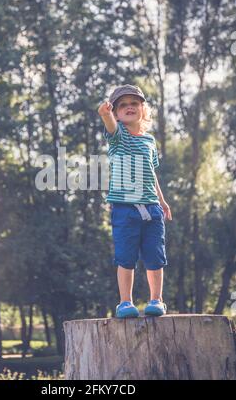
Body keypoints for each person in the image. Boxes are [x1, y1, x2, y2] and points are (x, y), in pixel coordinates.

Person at [98, 84, 172, 318]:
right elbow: (110, 126)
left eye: (134, 103)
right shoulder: (118, 137)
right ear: (117, 113)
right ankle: (125, 302)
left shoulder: (149, 141)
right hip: (125, 209)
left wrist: (162, 201)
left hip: (152, 209)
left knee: (155, 256)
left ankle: (156, 300)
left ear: (142, 109)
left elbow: (152, 174)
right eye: (122, 105)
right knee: (126, 257)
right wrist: (105, 113)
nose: (129, 107)